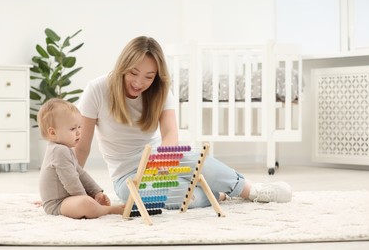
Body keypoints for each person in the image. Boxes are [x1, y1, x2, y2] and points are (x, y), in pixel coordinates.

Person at [75, 36, 292, 210]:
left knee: (197, 158)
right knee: (185, 198)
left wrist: (163, 163)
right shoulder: (97, 89)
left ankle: (252, 191)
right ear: (123, 66)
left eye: (149, 77)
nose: (140, 82)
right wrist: (71, 190)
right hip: (127, 176)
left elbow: (170, 134)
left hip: (161, 161)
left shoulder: (160, 91)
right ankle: (219, 194)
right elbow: (82, 147)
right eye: (134, 73)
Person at [38, 98, 125, 218]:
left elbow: (80, 173)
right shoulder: (59, 151)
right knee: (86, 204)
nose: (79, 132)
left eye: (79, 127)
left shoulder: (65, 150)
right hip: (57, 204)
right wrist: (86, 198)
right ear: (53, 133)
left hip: (67, 199)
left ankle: (96, 206)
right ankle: (107, 210)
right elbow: (71, 181)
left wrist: (96, 191)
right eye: (73, 129)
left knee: (87, 201)